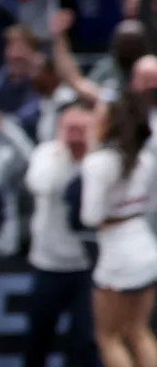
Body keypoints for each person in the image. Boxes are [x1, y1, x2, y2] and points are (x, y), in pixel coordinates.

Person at [79, 90, 157, 367]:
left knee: (108, 337)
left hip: (118, 254)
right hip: (145, 246)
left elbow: (90, 217)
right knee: (138, 331)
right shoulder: (145, 158)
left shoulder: (98, 163)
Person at [23, 103, 97, 367]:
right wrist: (66, 152)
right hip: (47, 263)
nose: (76, 134)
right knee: (37, 338)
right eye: (70, 128)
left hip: (86, 266)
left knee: (83, 341)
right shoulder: (46, 153)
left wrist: (86, 156)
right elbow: (40, 185)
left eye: (82, 128)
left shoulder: (99, 159)